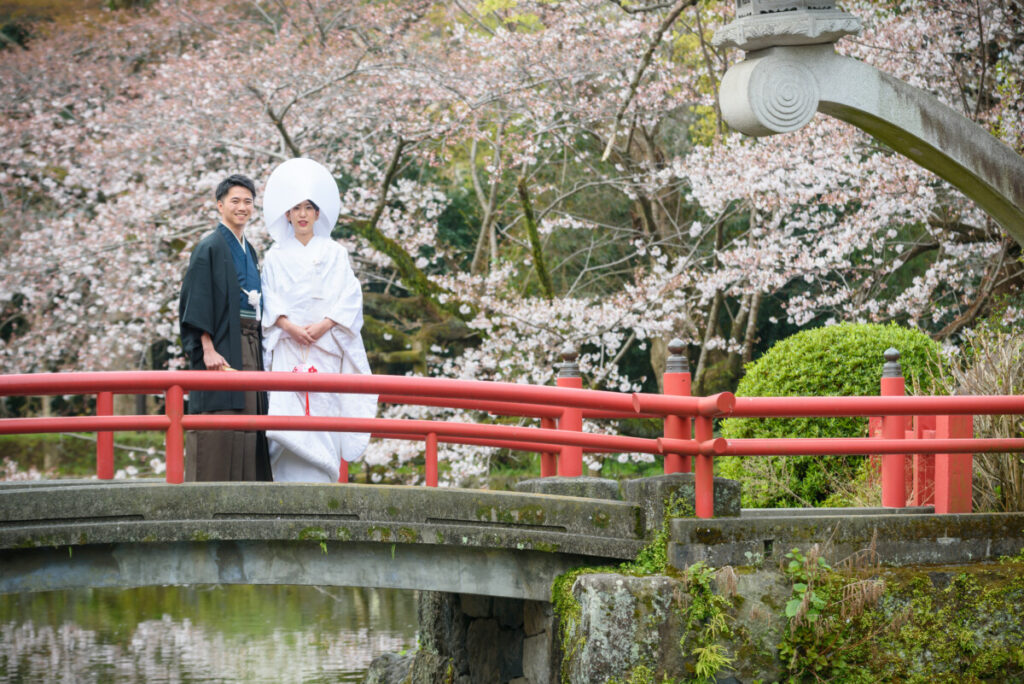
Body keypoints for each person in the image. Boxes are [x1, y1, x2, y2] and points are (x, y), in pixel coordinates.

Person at [260, 158, 376, 482]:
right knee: (287, 417)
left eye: (308, 208)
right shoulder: (275, 256)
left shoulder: (336, 253)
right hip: (288, 346)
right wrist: (288, 326)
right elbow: (268, 297)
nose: (301, 214)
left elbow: (350, 296)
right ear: (286, 214)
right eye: (295, 208)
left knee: (323, 412)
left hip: (325, 345)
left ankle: (325, 480)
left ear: (317, 213)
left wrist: (325, 324)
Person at [178, 174, 272, 481]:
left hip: (250, 341)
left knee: (250, 415)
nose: (242, 207)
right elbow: (198, 299)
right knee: (222, 417)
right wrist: (207, 348)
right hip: (221, 343)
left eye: (248, 201)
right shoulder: (210, 247)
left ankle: (249, 498)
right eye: (235, 201)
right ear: (220, 206)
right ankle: (212, 495)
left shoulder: (251, 250)